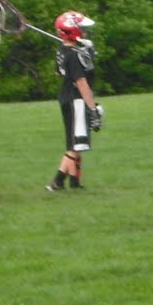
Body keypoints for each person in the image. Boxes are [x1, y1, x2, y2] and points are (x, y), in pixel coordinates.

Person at [47, 10, 103, 191]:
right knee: (76, 143)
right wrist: (92, 107)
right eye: (82, 29)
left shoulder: (64, 51)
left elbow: (59, 72)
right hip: (76, 100)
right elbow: (82, 83)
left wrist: (82, 51)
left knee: (75, 141)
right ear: (73, 32)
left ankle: (74, 182)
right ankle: (56, 182)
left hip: (67, 98)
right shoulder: (73, 55)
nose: (85, 32)